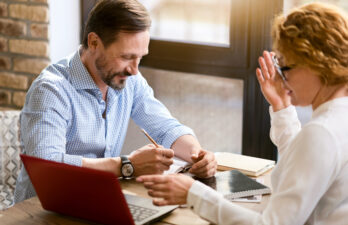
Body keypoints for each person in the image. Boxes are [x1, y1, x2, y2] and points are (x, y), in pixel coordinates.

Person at [137, 3, 348, 224]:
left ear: (316, 64)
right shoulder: (337, 120)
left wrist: (194, 194)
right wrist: (282, 107)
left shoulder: (321, 133)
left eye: (285, 67)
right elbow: (302, 166)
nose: (280, 78)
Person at [14, 0, 217, 203]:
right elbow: (46, 166)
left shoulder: (130, 80)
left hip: (99, 201)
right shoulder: (51, 90)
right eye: (126, 57)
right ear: (94, 42)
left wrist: (197, 155)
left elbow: (166, 128)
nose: (134, 70)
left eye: (139, 58)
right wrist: (126, 165)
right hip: (43, 210)